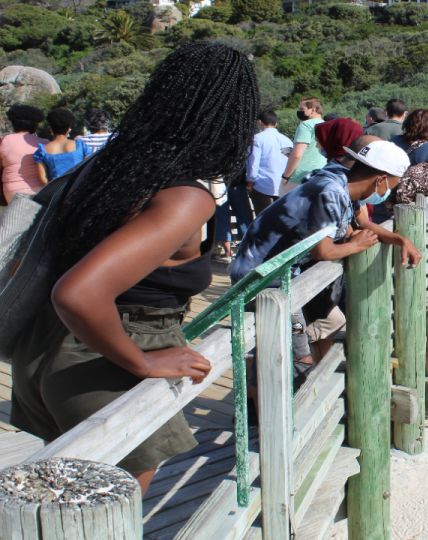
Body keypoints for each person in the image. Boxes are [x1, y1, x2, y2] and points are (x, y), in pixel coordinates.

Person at [9, 42, 259, 494]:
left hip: (45, 350)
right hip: (104, 357)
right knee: (112, 508)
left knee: (74, 504)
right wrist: (140, 360)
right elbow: (79, 293)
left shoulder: (110, 167)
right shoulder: (186, 194)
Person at [230, 136, 421, 395]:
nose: (390, 192)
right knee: (297, 361)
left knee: (332, 321)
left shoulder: (343, 181)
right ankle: (267, 414)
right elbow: (324, 251)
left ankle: (276, 350)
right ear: (381, 179)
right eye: (393, 185)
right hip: (265, 276)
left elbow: (360, 225)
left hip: (288, 272)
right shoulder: (329, 192)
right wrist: (356, 246)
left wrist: (400, 239)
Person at [246, 110, 292, 215]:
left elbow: (253, 163)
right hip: (282, 185)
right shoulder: (287, 140)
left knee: (263, 219)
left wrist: (250, 181)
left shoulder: (257, 139)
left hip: (262, 185)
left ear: (259, 122)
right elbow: (289, 160)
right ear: (276, 123)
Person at [0, 104, 48, 203]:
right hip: (42, 191)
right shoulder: (45, 143)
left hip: (13, 190)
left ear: (14, 124)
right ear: (35, 125)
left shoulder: (5, 141)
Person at [34, 108, 93, 183]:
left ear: (51, 128)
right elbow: (89, 169)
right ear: (69, 129)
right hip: (79, 188)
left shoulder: (41, 151)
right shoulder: (81, 145)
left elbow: (43, 179)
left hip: (57, 191)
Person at [280, 97, 326, 188]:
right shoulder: (326, 125)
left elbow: (297, 155)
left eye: (302, 109)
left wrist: (286, 176)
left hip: (299, 177)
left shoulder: (305, 125)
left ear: (313, 110)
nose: (299, 111)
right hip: (320, 175)